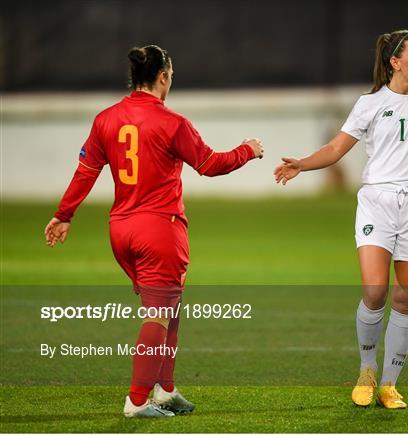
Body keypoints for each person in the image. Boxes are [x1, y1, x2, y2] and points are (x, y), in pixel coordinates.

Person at [44, 45, 264, 417]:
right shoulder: (171, 122)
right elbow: (210, 164)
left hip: (121, 230)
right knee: (158, 315)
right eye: (171, 75)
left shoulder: (105, 119)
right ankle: (137, 400)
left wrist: (64, 215)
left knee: (169, 309)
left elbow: (86, 171)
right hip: (159, 230)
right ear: (163, 76)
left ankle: (164, 389)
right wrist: (248, 150)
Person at [274, 30, 408, 409]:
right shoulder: (370, 104)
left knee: (406, 298)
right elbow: (336, 148)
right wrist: (302, 162)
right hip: (377, 203)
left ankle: (389, 384)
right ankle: (366, 369)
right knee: (375, 290)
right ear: (395, 62)